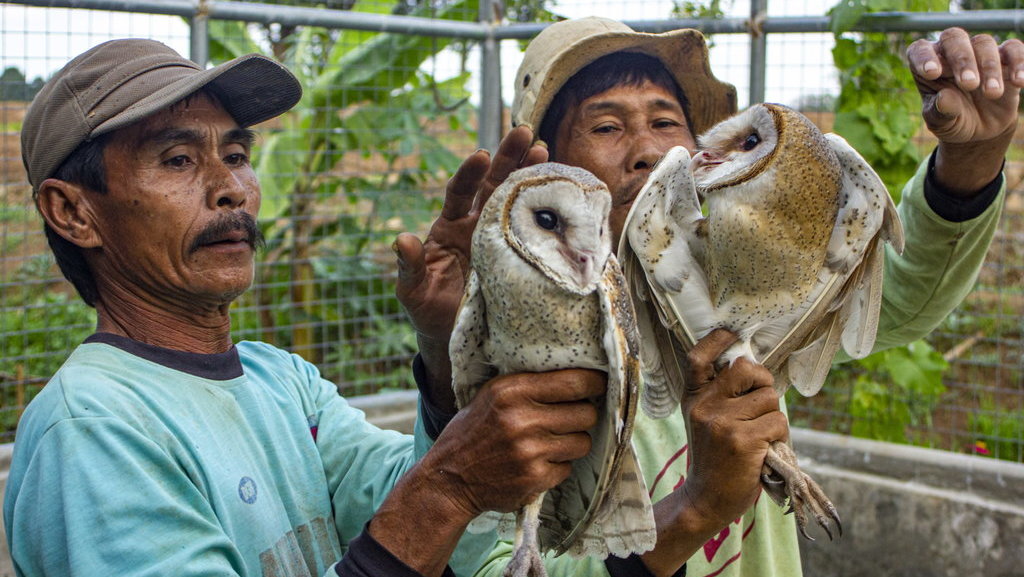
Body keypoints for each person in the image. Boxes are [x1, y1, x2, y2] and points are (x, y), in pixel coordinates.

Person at [394, 17, 1023, 577]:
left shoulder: (727, 296)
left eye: (667, 122)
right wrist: (696, 506)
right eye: (606, 125)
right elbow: (496, 564)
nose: (648, 150)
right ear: (550, 164)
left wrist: (972, 156)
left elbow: (902, 295)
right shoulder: (524, 366)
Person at [2, 38, 609, 577]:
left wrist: (450, 354)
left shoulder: (280, 380)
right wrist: (447, 488)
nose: (232, 188)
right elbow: (430, 500)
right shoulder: (92, 430)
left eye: (236, 155)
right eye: (178, 160)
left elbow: (427, 523)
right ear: (73, 213)